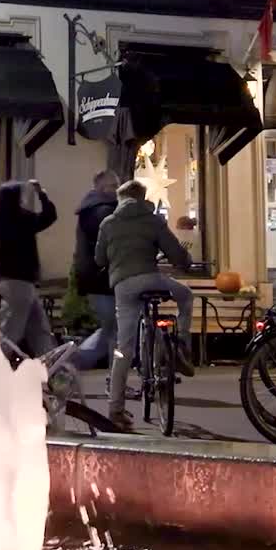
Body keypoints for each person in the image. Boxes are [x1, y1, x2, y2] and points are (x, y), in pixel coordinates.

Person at [96, 178, 195, 430]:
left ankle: (115, 410)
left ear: (120, 199)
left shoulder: (108, 223)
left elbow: (98, 258)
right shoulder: (153, 220)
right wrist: (185, 262)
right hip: (153, 279)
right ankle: (182, 345)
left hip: (124, 286)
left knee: (123, 348)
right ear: (142, 198)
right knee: (185, 295)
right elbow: (175, 252)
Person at [0, 178, 58, 356]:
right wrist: (41, 194)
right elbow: (49, 216)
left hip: (11, 278)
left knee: (38, 327)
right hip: (21, 280)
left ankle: (51, 365)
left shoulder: (1, 217)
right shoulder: (22, 218)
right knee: (12, 330)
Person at [72, 171, 119, 372]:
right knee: (115, 328)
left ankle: (72, 363)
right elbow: (113, 243)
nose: (118, 190)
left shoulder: (93, 208)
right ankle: (116, 377)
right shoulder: (101, 211)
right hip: (101, 279)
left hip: (97, 278)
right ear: (102, 188)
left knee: (112, 328)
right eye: (114, 186)